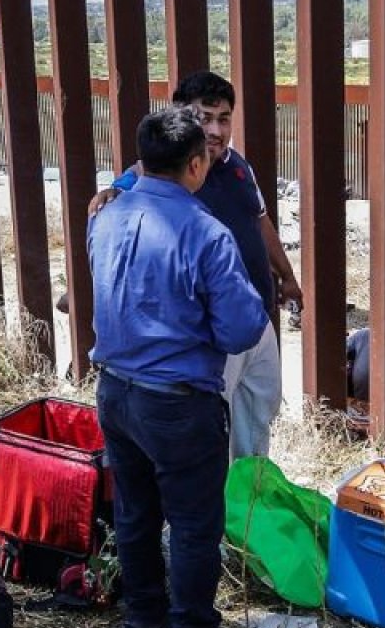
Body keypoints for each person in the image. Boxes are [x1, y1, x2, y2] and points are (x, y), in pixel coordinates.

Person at [89, 106, 268, 628]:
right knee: (193, 524)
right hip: (178, 401)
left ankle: (143, 615)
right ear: (196, 164)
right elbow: (241, 328)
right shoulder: (205, 232)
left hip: (114, 390)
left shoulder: (107, 216)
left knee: (136, 509)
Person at [91, 71, 302, 460]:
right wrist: (113, 188)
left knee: (259, 413)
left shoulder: (240, 167)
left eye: (223, 118)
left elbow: (259, 220)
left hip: (255, 317)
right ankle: (216, 502)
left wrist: (287, 277)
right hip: (213, 334)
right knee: (212, 430)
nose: (216, 130)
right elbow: (130, 183)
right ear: (180, 117)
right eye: (204, 117)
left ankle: (248, 499)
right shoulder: (168, 172)